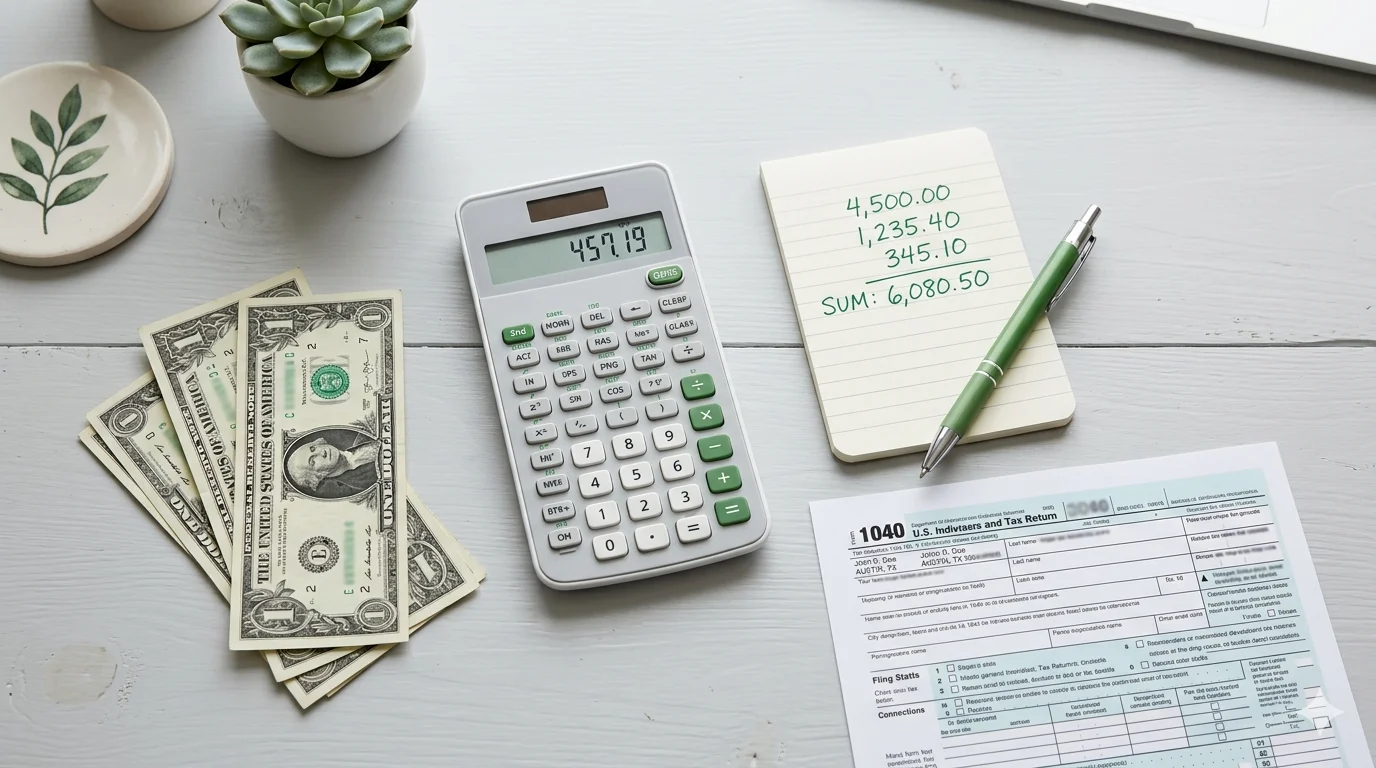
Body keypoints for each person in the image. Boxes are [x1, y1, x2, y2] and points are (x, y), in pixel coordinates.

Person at [285, 431, 380, 500]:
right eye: (313, 461)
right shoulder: (360, 489)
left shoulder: (362, 433)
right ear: (316, 477)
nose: (322, 453)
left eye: (313, 448)